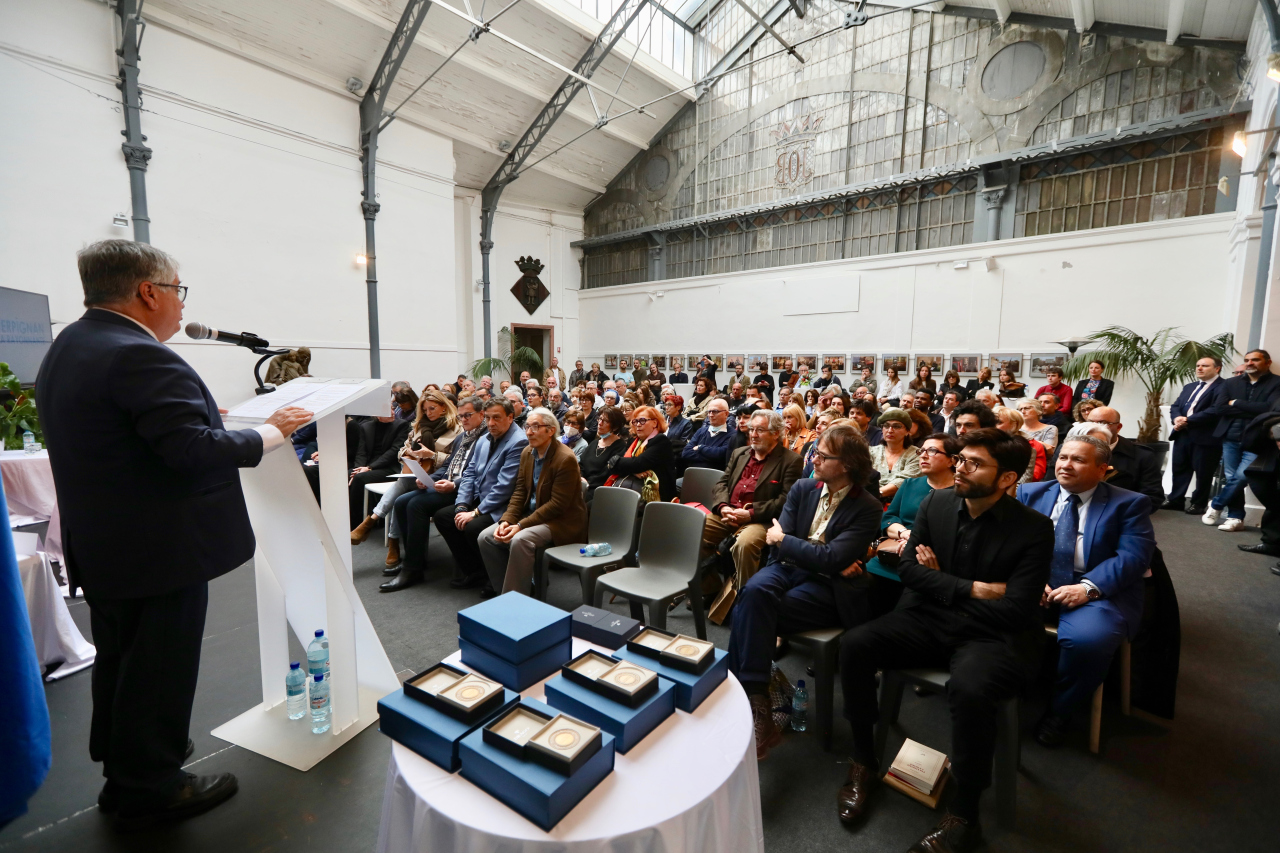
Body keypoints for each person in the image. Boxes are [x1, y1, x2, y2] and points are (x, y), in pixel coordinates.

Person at [36, 239, 314, 828]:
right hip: (158, 547)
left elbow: (129, 435)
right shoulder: (139, 355)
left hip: (106, 542)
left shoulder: (72, 344)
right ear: (148, 292)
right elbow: (190, 450)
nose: (181, 304)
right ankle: (152, 787)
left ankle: (127, 768)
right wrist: (271, 431)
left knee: (124, 660)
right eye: (177, 290)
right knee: (159, 666)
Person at [836, 429, 1052, 852]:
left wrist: (940, 582)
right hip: (931, 617)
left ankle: (965, 814)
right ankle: (863, 760)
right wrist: (974, 588)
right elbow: (908, 570)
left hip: (991, 634)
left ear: (1007, 478)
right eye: (961, 459)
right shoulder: (938, 502)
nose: (960, 468)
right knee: (855, 645)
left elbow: (1016, 608)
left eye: (974, 463)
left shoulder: (1034, 528)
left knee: (971, 690)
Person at [728, 424, 882, 758]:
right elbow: (798, 550)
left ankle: (745, 697)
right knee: (753, 593)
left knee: (750, 607)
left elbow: (796, 545)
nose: (814, 459)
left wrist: (791, 542)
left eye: (823, 456)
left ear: (846, 465)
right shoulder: (803, 488)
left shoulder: (868, 506)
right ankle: (758, 700)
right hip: (788, 569)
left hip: (830, 587)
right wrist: (820, 555)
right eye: (815, 452)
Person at [1017, 436, 1155, 747]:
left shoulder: (1129, 503)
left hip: (1095, 586)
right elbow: (1009, 542)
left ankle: (1060, 712)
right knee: (984, 612)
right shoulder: (1029, 493)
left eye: (1078, 459)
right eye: (1063, 457)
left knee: (1088, 642)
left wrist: (1088, 588)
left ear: (1103, 469)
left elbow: (1134, 557)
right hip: (1037, 581)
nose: (1066, 465)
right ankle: (1001, 690)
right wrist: (1031, 578)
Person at [478, 408, 587, 595]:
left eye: (535, 427)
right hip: (532, 514)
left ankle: (516, 600)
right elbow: (520, 491)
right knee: (486, 537)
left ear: (551, 430)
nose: (528, 432)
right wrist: (507, 520)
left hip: (560, 522)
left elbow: (557, 505)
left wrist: (520, 525)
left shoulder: (565, 458)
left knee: (520, 539)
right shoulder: (527, 452)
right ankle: (508, 591)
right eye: (527, 427)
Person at [382, 398, 486, 591]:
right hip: (448, 484)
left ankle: (412, 569)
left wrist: (453, 485)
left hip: (466, 491)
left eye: (468, 415)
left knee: (416, 505)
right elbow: (447, 467)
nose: (463, 419)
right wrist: (427, 479)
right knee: (402, 501)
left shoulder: (486, 438)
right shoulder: (462, 437)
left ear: (481, 414)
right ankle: (414, 559)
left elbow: (479, 475)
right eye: (460, 416)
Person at [702, 410, 803, 601]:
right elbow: (722, 483)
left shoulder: (791, 461)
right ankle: (711, 590)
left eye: (760, 430)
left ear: (775, 433)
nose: (753, 435)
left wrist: (750, 513)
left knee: (745, 544)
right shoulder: (739, 454)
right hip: (729, 512)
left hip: (761, 520)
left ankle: (745, 598)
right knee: (696, 529)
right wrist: (723, 507)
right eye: (751, 429)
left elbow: (785, 500)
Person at [352, 389, 459, 569]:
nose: (428, 413)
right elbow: (401, 450)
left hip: (440, 477)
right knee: (403, 487)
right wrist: (408, 452)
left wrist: (432, 455)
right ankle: (390, 541)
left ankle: (375, 524)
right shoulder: (419, 426)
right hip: (416, 473)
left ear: (444, 407)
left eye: (432, 408)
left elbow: (456, 461)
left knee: (402, 488)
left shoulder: (456, 430)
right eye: (425, 409)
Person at [434, 398, 529, 596]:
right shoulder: (484, 439)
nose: (491, 423)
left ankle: (494, 576)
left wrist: (476, 512)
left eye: (497, 418)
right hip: (482, 497)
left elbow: (505, 486)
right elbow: (469, 474)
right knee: (444, 517)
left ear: (510, 417)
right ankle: (475, 570)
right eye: (487, 418)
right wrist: (462, 504)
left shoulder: (519, 441)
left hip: (505, 505)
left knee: (473, 527)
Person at [1205, 350, 1280, 531]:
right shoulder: (1231, 382)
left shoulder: (1277, 383)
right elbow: (1220, 408)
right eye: (1247, 360)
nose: (1249, 363)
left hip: (1258, 440)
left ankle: (1216, 504)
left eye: (1255, 360)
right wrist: (1252, 410)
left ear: (1268, 362)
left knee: (1241, 476)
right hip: (1230, 437)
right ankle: (1235, 518)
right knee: (1231, 477)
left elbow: (1270, 410)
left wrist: (1236, 403)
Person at [1164, 356, 1226, 515]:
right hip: (1182, 434)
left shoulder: (1224, 386)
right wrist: (1177, 419)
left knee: (1203, 472)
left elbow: (1215, 410)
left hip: (1205, 436)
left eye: (1205, 366)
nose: (1199, 368)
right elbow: (1176, 406)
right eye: (1198, 365)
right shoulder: (1190, 386)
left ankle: (1198, 504)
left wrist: (1188, 420)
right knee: (1179, 468)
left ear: (1217, 368)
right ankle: (1176, 500)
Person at [1080, 406, 1164, 512]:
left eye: (1103, 423)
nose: (1095, 427)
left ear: (1118, 427)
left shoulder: (1142, 455)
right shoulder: (1067, 451)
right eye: (1090, 422)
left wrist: (1119, 512)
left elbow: (1153, 497)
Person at [341, 413, 412, 529]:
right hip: (368, 467)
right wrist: (357, 469)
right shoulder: (366, 427)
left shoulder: (401, 425)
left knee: (359, 478)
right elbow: (361, 452)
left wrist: (370, 467)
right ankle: (344, 517)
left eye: (392, 408)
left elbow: (393, 452)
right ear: (377, 414)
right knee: (348, 474)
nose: (393, 412)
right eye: (388, 410)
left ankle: (356, 524)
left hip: (389, 468)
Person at [604, 405, 677, 502]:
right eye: (635, 421)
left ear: (654, 423)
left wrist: (628, 466)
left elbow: (638, 463)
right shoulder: (634, 441)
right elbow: (610, 463)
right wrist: (633, 471)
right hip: (632, 490)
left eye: (642, 421)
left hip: (656, 498)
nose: (638, 424)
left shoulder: (661, 441)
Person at [869, 409, 921, 500]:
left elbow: (904, 481)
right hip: (870, 500)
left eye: (896, 426)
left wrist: (875, 494)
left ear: (907, 431)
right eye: (886, 426)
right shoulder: (870, 452)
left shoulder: (917, 454)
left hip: (902, 501)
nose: (890, 430)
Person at [579, 406, 628, 499]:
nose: (600, 423)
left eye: (605, 421)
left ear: (615, 427)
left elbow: (605, 475)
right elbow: (581, 464)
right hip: (581, 484)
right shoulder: (594, 443)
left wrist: (587, 484)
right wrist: (580, 478)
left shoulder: (620, 447)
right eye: (600, 419)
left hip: (599, 491)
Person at [680, 398, 734, 473]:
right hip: (693, 474)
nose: (710, 415)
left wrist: (700, 448)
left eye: (715, 411)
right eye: (709, 412)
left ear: (726, 414)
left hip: (715, 476)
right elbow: (686, 453)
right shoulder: (701, 431)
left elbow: (721, 455)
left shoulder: (732, 435)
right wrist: (711, 457)